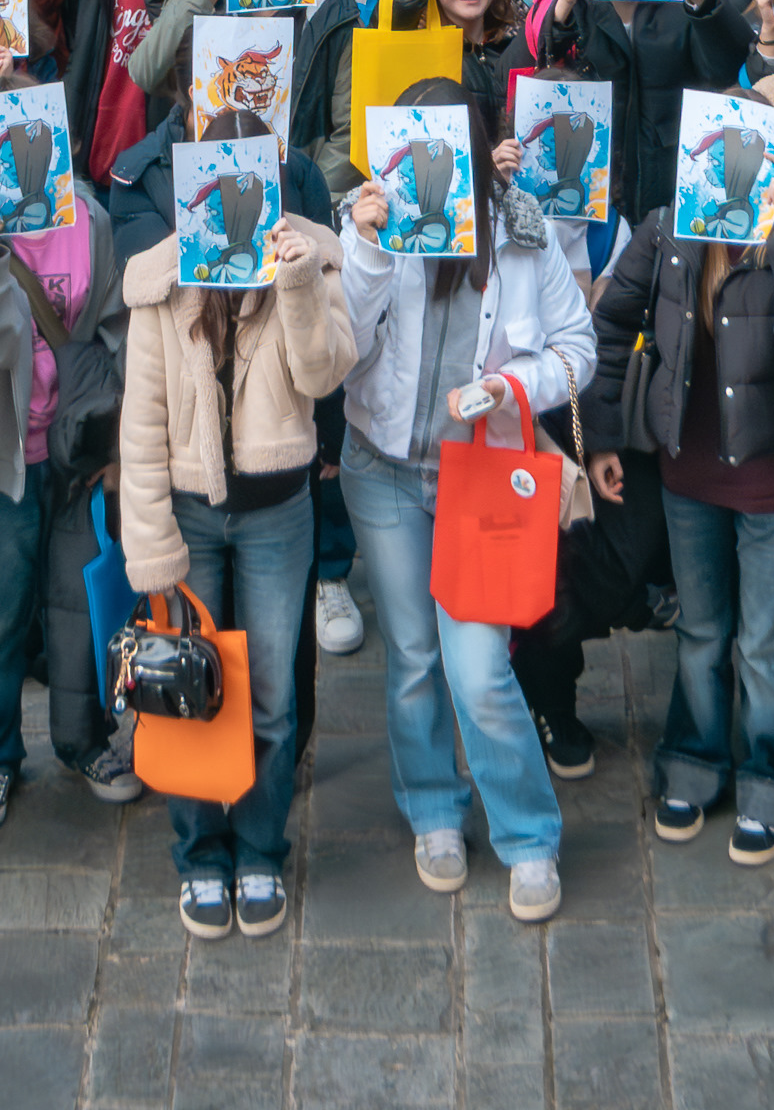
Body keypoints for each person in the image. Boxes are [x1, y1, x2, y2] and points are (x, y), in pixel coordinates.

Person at [336, 79, 596, 923]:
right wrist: (368, 246)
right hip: (382, 469)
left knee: (480, 670)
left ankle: (528, 834)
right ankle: (434, 809)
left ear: (474, 146)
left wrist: (506, 387)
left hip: (479, 479)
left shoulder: (520, 227)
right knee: (413, 657)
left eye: (445, 143)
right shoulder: (374, 224)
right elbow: (337, 349)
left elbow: (576, 349)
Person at [589, 89, 774, 864]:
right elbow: (609, 323)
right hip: (687, 476)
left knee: (766, 647)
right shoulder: (669, 231)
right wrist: (599, 434)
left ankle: (773, 782)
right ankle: (695, 761)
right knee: (703, 633)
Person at [115, 110, 357, 940]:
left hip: (278, 512)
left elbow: (323, 379)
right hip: (188, 512)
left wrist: (294, 283)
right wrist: (149, 548)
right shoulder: (161, 279)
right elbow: (141, 425)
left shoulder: (314, 259)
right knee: (186, 688)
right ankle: (200, 856)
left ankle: (261, 848)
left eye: (248, 176)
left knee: (273, 699)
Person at [0, 50, 148, 819]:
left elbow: (113, 327)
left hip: (75, 454)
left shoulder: (90, 221)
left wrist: (119, 437)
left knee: (79, 607)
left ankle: (83, 739)